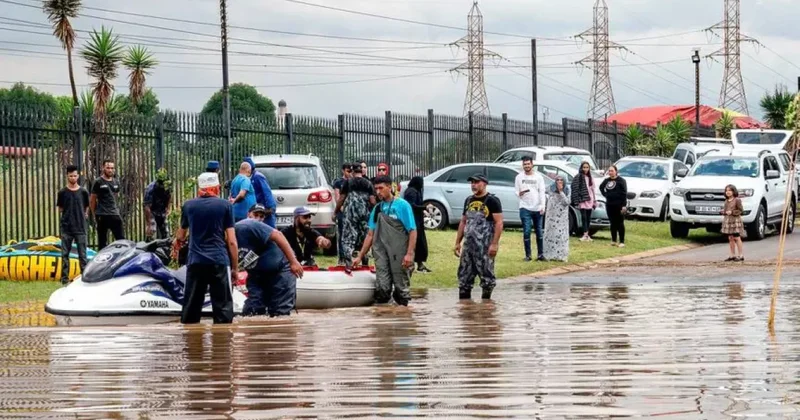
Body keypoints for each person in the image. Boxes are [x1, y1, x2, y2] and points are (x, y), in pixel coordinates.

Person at [174, 172, 239, 324]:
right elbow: (232, 241)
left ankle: (191, 343)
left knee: (190, 310)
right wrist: (235, 268)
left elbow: (181, 236)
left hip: (196, 261)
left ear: (200, 188)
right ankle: (222, 343)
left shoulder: (188, 205)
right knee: (223, 313)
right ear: (216, 188)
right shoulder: (225, 206)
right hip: (219, 261)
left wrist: (177, 243)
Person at [353, 175, 417, 306]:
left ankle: (403, 316)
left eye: (381, 188)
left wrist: (409, 254)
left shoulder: (403, 206)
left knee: (401, 290)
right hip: (381, 252)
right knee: (382, 287)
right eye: (375, 189)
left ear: (389, 187)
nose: (378, 192)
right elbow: (370, 235)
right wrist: (360, 256)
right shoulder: (377, 209)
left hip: (399, 252)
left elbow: (412, 231)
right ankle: (383, 318)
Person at [235, 204, 304, 317]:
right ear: (249, 214)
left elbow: (278, 235)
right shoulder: (224, 240)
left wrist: (294, 262)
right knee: (252, 311)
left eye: (261, 216)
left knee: (280, 313)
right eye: (255, 215)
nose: (258, 219)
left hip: (281, 270)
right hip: (257, 275)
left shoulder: (250, 225)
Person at [455, 174, 503, 300]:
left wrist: (494, 244)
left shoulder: (493, 201)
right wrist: (457, 242)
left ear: (485, 183)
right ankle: (465, 310)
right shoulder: (468, 200)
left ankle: (486, 308)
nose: (473, 185)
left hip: (485, 247)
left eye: (477, 182)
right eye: (472, 182)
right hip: (468, 247)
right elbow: (463, 221)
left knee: (487, 279)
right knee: (464, 279)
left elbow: (499, 223)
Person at [336, 164, 376, 270]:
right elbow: (372, 201)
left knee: (348, 238)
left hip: (351, 216)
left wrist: (336, 211)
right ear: (361, 172)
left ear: (353, 172)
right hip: (364, 215)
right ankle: (364, 260)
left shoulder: (348, 182)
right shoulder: (368, 183)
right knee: (365, 237)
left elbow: (341, 198)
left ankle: (348, 263)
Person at [57, 165, 89, 285]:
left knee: (82, 255)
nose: (73, 178)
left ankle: (85, 278)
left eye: (75, 175)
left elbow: (86, 207)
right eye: (71, 176)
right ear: (67, 176)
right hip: (66, 227)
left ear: (78, 176)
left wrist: (84, 214)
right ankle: (64, 278)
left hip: (80, 227)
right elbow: (60, 208)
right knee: (65, 254)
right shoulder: (62, 192)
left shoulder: (83, 191)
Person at [515, 156, 547, 261]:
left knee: (539, 231)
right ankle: (528, 255)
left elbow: (542, 191)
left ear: (532, 164)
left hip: (537, 207)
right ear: (522, 165)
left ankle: (540, 254)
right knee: (527, 231)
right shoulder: (519, 177)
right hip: (525, 207)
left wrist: (543, 205)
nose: (527, 166)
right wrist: (520, 193)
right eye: (525, 164)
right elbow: (516, 191)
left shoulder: (538, 177)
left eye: (528, 164)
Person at [90, 159, 125, 250]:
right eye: (108, 168)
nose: (110, 170)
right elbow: (93, 200)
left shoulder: (116, 182)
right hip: (102, 214)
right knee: (102, 241)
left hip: (114, 214)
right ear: (103, 168)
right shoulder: (98, 182)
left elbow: (115, 196)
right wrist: (95, 214)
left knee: (121, 240)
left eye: (112, 168)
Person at [402, 176, 430, 272]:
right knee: (416, 242)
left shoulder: (415, 191)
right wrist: (423, 207)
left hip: (417, 220)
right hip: (413, 220)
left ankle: (419, 263)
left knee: (420, 243)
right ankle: (414, 263)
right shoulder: (411, 192)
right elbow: (411, 205)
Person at [243, 156, 277, 228]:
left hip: (265, 207)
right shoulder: (251, 177)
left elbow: (267, 191)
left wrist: (270, 207)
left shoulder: (258, 177)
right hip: (258, 207)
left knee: (269, 229)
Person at [543, 176, 571, 262]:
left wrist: (561, 191)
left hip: (562, 217)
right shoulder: (550, 188)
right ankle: (549, 255)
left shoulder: (567, 190)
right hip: (551, 216)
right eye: (557, 180)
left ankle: (561, 256)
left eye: (561, 180)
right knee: (551, 234)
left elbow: (567, 202)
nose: (559, 182)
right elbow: (543, 194)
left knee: (561, 235)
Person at [600, 165, 628, 248]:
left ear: (616, 171)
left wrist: (624, 205)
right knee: (612, 223)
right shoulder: (606, 180)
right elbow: (601, 187)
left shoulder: (621, 181)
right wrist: (606, 195)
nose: (610, 172)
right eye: (609, 171)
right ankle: (614, 240)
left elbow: (624, 193)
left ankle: (622, 241)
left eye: (612, 171)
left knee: (620, 222)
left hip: (619, 205)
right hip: (609, 204)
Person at [571, 161, 597, 241]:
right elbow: (575, 188)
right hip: (582, 200)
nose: (585, 169)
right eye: (584, 167)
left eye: (587, 167)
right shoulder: (578, 177)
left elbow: (593, 189)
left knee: (588, 217)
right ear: (581, 168)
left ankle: (587, 234)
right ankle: (585, 234)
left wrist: (594, 200)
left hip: (590, 199)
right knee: (584, 217)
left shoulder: (590, 178)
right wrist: (577, 200)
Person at [332, 163, 352, 265]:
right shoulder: (338, 182)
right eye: (348, 171)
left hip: (352, 212)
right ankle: (342, 258)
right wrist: (342, 209)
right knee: (342, 234)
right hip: (342, 211)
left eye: (351, 171)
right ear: (343, 171)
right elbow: (337, 197)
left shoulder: (354, 182)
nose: (350, 173)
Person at [144, 170, 172, 241]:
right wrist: (149, 222)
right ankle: (149, 244)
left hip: (162, 209)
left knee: (166, 231)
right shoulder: (150, 188)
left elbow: (169, 196)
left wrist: (168, 208)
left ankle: (166, 247)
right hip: (152, 210)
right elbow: (147, 206)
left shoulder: (167, 186)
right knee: (152, 228)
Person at [721, 184, 745, 261]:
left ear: (733, 191)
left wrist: (732, 212)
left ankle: (741, 255)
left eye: (730, 190)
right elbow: (725, 211)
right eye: (726, 190)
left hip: (735, 221)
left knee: (737, 237)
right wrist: (723, 212)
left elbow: (741, 210)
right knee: (730, 238)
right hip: (728, 221)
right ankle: (732, 255)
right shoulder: (726, 201)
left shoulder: (737, 200)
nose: (728, 192)